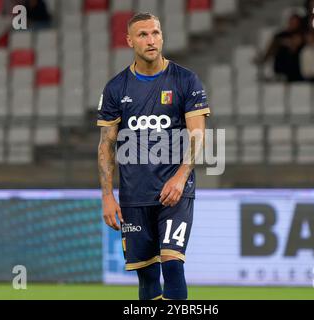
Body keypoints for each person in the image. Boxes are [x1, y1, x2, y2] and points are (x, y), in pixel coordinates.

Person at [97, 13, 210, 300]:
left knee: (172, 265)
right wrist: (107, 196)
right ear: (129, 41)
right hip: (134, 195)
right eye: (143, 35)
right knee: (147, 277)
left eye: (155, 33)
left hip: (175, 193)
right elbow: (106, 146)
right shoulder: (116, 88)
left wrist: (180, 177)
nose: (151, 40)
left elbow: (198, 134)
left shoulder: (186, 80)